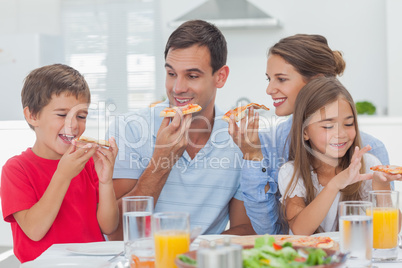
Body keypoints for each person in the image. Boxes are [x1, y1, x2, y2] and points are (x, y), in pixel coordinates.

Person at [228, 34, 390, 235]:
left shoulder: (370, 150)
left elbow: (385, 229)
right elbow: (268, 232)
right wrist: (252, 157)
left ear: (316, 82)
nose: (269, 89)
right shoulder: (267, 144)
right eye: (269, 79)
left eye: (281, 79)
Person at [107, 20, 255, 239]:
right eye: (171, 74)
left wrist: (192, 249)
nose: (178, 89)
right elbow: (118, 233)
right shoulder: (130, 129)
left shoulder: (237, 139)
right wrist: (160, 163)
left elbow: (245, 229)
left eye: (192, 76)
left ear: (220, 77)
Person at [0, 64, 119, 263]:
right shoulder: (16, 170)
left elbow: (109, 226)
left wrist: (106, 182)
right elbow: (35, 230)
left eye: (81, 116)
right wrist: (63, 175)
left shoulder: (87, 163)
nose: (72, 124)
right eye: (62, 114)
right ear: (33, 116)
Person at [278, 77, 398, 234]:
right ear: (305, 131)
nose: (341, 134)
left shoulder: (368, 164)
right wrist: (335, 184)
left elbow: (391, 231)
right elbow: (300, 230)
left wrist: (382, 187)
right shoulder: (291, 172)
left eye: (348, 124)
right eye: (328, 126)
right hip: (316, 257)